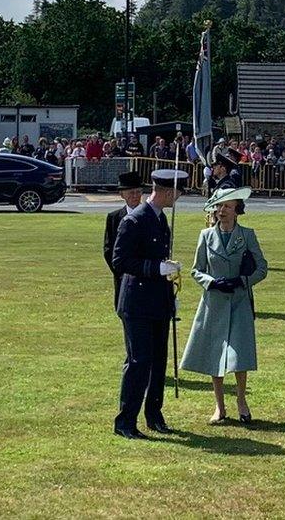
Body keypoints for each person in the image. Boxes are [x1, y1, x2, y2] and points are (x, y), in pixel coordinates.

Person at [111, 169, 188, 440]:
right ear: (166, 192)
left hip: (158, 301)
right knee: (139, 361)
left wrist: (169, 284)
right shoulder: (134, 221)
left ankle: (154, 415)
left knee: (158, 362)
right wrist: (155, 268)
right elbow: (120, 261)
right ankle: (125, 421)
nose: (177, 198)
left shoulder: (160, 219)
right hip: (137, 303)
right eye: (177, 193)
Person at [181, 187, 268, 424]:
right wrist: (211, 283)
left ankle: (241, 401)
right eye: (219, 206)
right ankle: (219, 407)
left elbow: (262, 268)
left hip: (239, 301)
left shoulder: (247, 235)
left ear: (237, 210)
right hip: (214, 302)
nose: (222, 211)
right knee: (214, 353)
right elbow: (195, 270)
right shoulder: (206, 235)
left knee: (240, 355)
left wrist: (243, 280)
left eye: (227, 206)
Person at [104, 171, 143, 309]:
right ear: (122, 194)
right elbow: (109, 250)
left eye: (138, 192)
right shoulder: (114, 218)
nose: (135, 196)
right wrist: (120, 272)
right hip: (123, 278)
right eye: (131, 192)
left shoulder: (151, 215)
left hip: (145, 278)